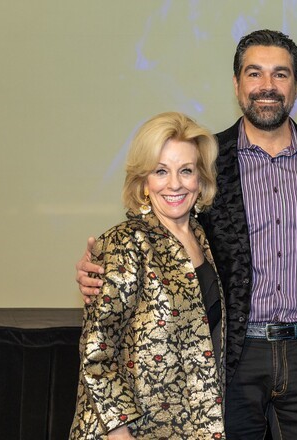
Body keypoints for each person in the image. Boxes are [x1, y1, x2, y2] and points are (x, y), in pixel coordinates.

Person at [77, 30, 297, 440]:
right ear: (237, 85)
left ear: (296, 86)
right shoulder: (206, 158)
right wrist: (102, 268)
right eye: (255, 74)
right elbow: (157, 225)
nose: (267, 86)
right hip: (230, 355)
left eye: (280, 74)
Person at [69, 112, 226, 439]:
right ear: (143, 182)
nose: (175, 184)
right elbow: (96, 353)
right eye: (160, 171)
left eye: (186, 171)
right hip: (130, 432)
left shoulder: (202, 239)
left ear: (201, 179)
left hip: (189, 427)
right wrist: (119, 431)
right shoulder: (125, 243)